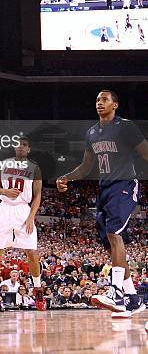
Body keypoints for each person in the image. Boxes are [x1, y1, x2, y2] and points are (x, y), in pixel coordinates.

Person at [56, 90, 148, 318]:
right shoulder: (91, 133)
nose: (99, 103)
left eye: (104, 99)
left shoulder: (125, 127)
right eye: (97, 99)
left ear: (115, 104)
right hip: (105, 189)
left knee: (116, 235)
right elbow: (86, 166)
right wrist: (67, 177)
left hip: (125, 184)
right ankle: (133, 299)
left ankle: (116, 292)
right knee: (112, 244)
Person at [0, 137, 45, 316]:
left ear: (29, 149)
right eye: (18, 144)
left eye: (24, 144)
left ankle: (38, 290)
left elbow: (37, 195)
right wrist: (5, 192)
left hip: (23, 210)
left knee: (32, 253)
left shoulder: (34, 168)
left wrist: (32, 217)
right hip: (4, 209)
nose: (21, 147)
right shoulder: (3, 164)